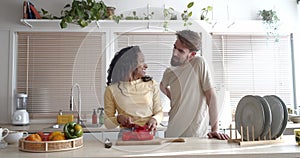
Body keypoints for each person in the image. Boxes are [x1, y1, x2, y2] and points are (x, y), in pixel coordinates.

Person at [160, 30, 229, 140]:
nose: (174, 53)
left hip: (195, 135)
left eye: (181, 51)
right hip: (172, 134)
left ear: (192, 54)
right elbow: (162, 86)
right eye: (174, 47)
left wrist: (215, 130)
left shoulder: (198, 63)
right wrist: (171, 97)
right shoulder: (169, 71)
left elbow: (211, 96)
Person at [104, 46, 163, 137]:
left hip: (150, 133)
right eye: (142, 61)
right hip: (127, 135)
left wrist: (155, 120)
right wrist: (118, 119)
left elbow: (159, 112)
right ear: (130, 64)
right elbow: (107, 123)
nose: (146, 65)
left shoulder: (151, 84)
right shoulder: (111, 89)